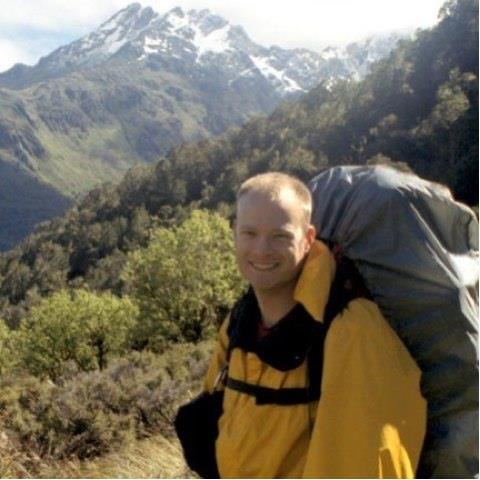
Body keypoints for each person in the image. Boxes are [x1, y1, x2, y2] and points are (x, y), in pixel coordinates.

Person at [203, 172, 426, 478]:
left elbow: (363, 464)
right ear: (235, 233)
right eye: (249, 233)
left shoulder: (351, 329)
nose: (261, 250)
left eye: (280, 236)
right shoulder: (239, 320)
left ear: (308, 239)